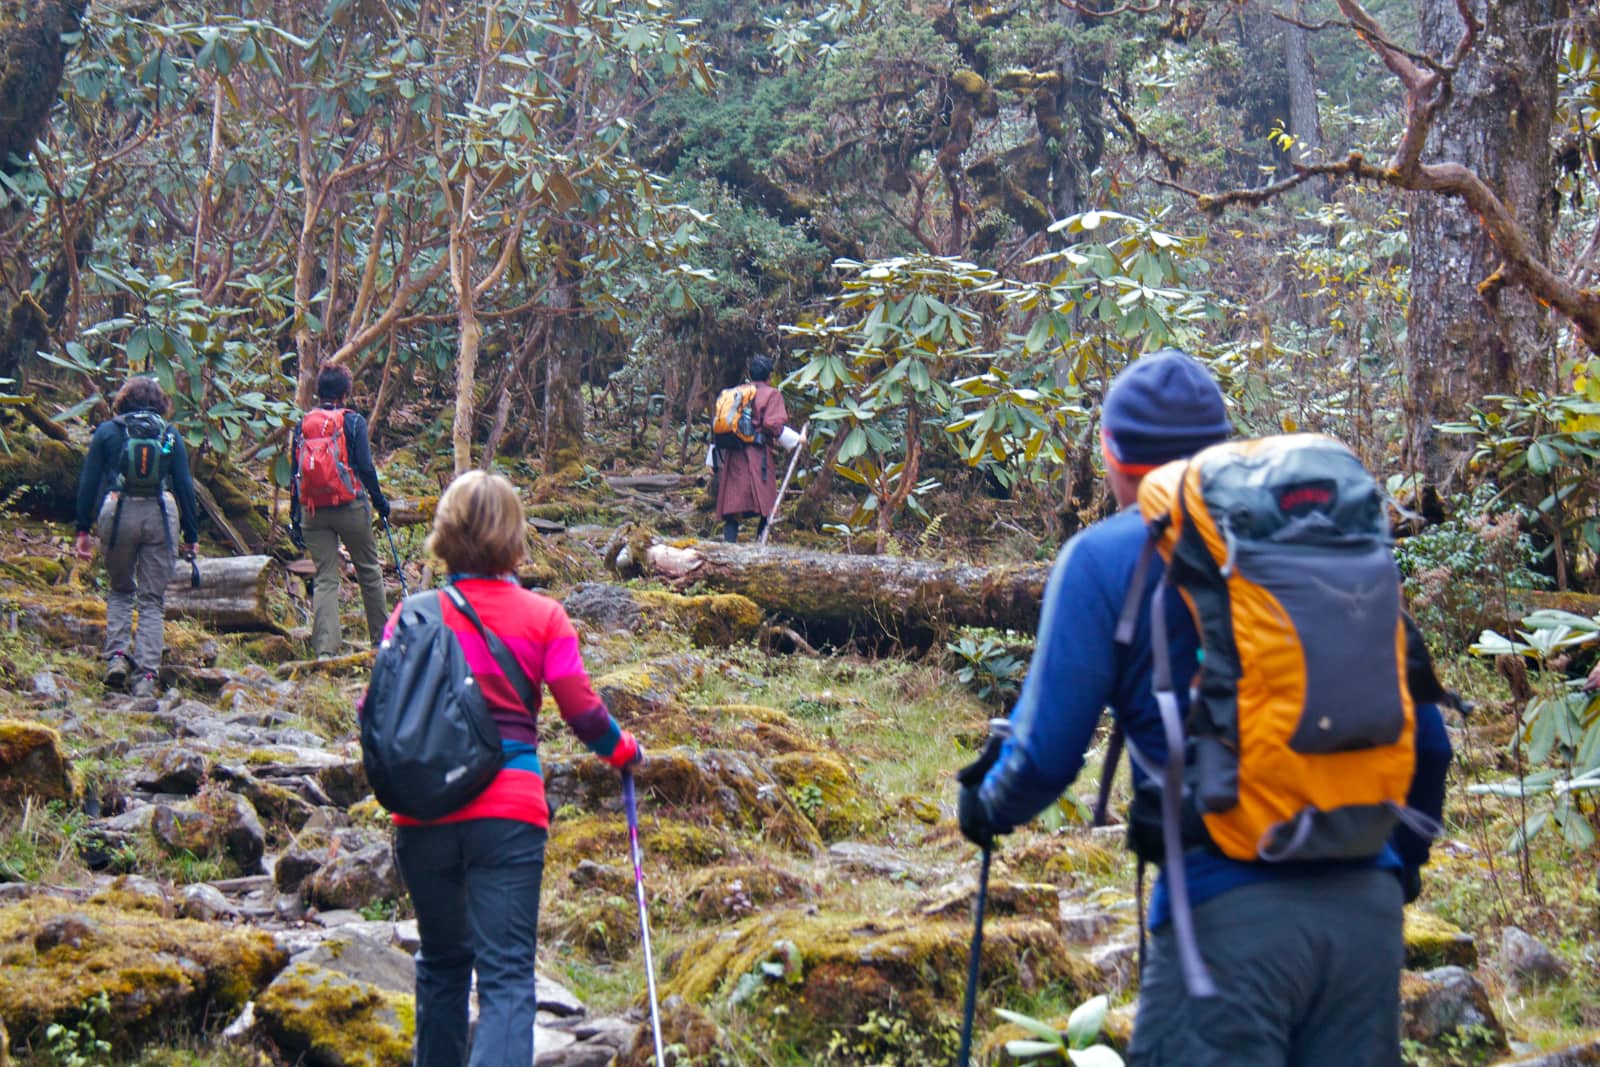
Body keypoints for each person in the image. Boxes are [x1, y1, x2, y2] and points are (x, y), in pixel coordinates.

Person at [957, 349, 1453, 1067]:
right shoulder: (1324, 542)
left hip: (1223, 922)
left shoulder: (1103, 559)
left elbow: (1043, 756)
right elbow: (1429, 744)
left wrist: (985, 804)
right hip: (1367, 909)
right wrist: (1391, 869)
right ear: (1224, 440)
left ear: (1110, 451)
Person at [387, 470, 640, 1067]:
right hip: (508, 811)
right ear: (513, 535)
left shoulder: (410, 615)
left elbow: (374, 711)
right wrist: (624, 749)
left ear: (444, 532)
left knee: (442, 965)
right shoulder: (541, 615)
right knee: (505, 978)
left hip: (421, 813)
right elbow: (580, 710)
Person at [74, 376, 200, 697]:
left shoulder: (107, 432)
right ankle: (145, 675)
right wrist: (191, 535)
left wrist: (82, 530)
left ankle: (116, 656)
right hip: (160, 514)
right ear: (160, 403)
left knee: (119, 590)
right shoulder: (169, 435)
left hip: (117, 514)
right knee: (152, 600)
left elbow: (88, 483)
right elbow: (185, 486)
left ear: (123, 400)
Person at [290, 364, 391, 658]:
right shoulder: (353, 422)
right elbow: (366, 468)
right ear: (346, 393)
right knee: (369, 570)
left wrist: (295, 517)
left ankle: (325, 650)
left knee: (325, 577)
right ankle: (380, 642)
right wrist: (380, 502)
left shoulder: (303, 424)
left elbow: (295, 474)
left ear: (318, 392)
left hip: (313, 511)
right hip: (350, 506)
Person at [711, 355, 803, 542]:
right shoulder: (771, 394)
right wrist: (797, 439)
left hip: (733, 453)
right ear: (770, 376)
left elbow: (721, 422)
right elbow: (772, 424)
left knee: (733, 502)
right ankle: (761, 542)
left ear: (749, 373)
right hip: (756, 454)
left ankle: (729, 545)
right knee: (766, 501)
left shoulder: (737, 392)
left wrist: (712, 460)